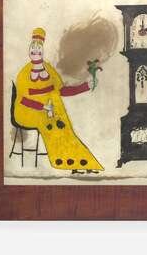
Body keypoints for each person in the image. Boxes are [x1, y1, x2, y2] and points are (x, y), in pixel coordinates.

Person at [14, 28, 104, 173]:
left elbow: (61, 91)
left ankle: (81, 162)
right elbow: (23, 100)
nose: (36, 51)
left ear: (42, 51)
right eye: (33, 49)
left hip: (51, 108)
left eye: (38, 49)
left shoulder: (49, 70)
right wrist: (43, 107)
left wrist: (86, 86)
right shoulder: (24, 73)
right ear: (29, 51)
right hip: (29, 111)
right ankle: (66, 162)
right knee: (55, 129)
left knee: (65, 128)